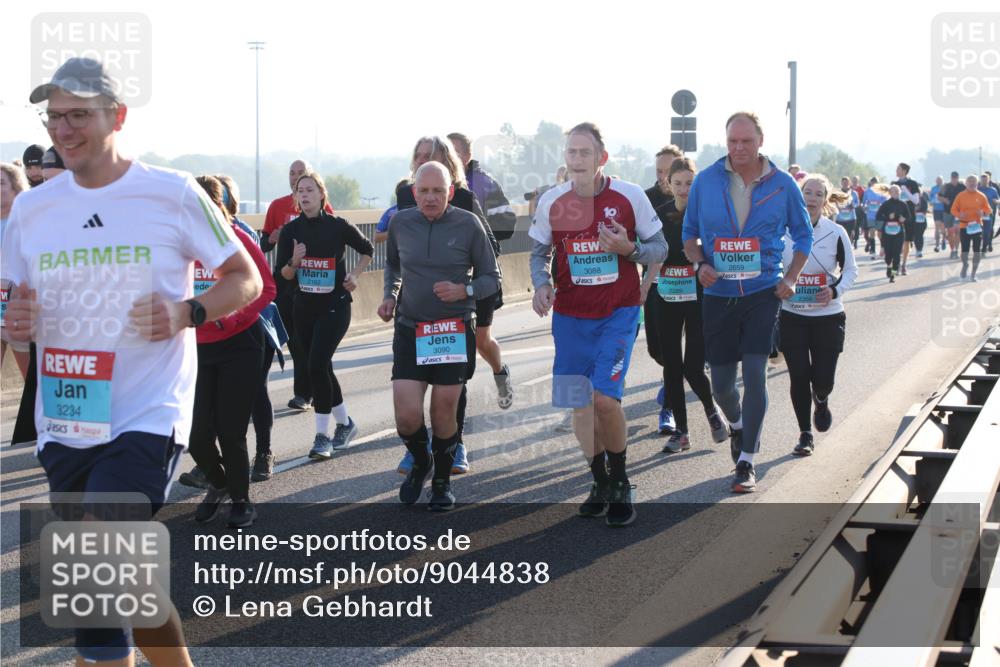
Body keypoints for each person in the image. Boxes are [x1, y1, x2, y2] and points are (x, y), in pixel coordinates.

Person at [5, 56, 262, 667]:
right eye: (54, 117)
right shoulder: (32, 210)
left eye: (78, 116)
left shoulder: (171, 193)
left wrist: (186, 313)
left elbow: (244, 277)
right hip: (67, 416)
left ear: (116, 116)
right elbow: (15, 306)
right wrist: (16, 321)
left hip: (149, 411)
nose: (63, 131)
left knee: (94, 558)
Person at [530, 121, 667, 526]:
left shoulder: (629, 196)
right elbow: (538, 255)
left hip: (618, 312)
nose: (576, 159)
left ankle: (622, 481)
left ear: (601, 158)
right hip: (571, 318)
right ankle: (600, 480)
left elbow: (660, 247)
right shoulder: (552, 201)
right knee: (579, 405)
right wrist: (541, 285)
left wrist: (630, 248)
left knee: (605, 399)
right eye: (571, 152)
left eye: (584, 152)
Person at [682, 111, 812, 493]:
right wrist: (699, 263)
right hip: (719, 295)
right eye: (732, 142)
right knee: (722, 386)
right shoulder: (706, 181)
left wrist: (790, 279)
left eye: (746, 142)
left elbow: (803, 237)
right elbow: (690, 234)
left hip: (762, 293)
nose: (739, 149)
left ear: (760, 141)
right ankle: (737, 426)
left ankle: (747, 460)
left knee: (755, 373)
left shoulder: (782, 183)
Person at [379, 161, 500, 511]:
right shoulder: (401, 223)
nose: (430, 198)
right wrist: (390, 295)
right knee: (406, 413)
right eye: (423, 191)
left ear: (450, 192)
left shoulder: (468, 223)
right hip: (410, 328)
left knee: (444, 410)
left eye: (437, 191)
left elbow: (492, 278)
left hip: (452, 328)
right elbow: (393, 265)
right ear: (413, 192)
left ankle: (443, 482)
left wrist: (464, 290)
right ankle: (421, 461)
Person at [189, 175, 276, 528]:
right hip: (195, 349)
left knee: (230, 430)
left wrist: (231, 315)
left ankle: (241, 500)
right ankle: (219, 482)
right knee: (195, 435)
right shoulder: (180, 247)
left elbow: (267, 288)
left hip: (239, 345)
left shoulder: (235, 240)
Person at [276, 171, 374, 458]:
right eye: (299, 190)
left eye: (309, 189)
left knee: (317, 364)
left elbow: (367, 249)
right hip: (303, 308)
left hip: (335, 307)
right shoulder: (291, 232)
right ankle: (345, 422)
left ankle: (322, 436)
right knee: (320, 367)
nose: (303, 194)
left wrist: (354, 275)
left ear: (321, 194)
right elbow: (281, 275)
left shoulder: (337, 226)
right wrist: (294, 262)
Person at [644, 157, 728, 453]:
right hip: (666, 296)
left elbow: (719, 252)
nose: (683, 189)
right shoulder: (658, 215)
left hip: (698, 297)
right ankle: (681, 431)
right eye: (677, 183)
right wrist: (643, 290)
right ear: (668, 183)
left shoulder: (707, 215)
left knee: (693, 366)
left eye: (690, 184)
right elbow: (652, 255)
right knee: (671, 365)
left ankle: (711, 411)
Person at [781, 175, 858, 455]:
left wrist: (835, 291)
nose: (811, 198)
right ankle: (804, 434)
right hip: (793, 316)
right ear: (799, 198)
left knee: (823, 379)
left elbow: (850, 270)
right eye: (807, 193)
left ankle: (822, 398)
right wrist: (782, 283)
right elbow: (773, 266)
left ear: (825, 201)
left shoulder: (836, 232)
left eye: (817, 194)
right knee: (799, 376)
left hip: (828, 316)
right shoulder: (783, 231)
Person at [217, 173, 286, 482]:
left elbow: (261, 286)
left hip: (252, 325)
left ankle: (264, 452)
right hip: (215, 329)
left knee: (256, 391)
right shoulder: (193, 238)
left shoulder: (241, 233)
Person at [448, 133, 516, 412]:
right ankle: (453, 405)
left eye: (450, 153)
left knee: (480, 341)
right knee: (452, 341)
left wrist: (480, 241)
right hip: (450, 276)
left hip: (481, 274)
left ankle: (500, 371)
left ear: (464, 156)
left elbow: (508, 222)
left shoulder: (481, 182)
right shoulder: (432, 186)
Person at [263, 159, 334, 412]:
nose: (295, 178)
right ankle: (304, 392)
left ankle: (312, 391)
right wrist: (271, 239)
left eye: (300, 174)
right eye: (291, 173)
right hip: (285, 283)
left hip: (313, 284)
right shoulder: (277, 206)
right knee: (294, 341)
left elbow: (333, 239)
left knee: (310, 343)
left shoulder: (322, 206)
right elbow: (263, 244)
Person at [643, 144, 683, 434]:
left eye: (667, 172)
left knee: (673, 350)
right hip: (654, 282)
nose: (662, 178)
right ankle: (672, 373)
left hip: (687, 286)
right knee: (656, 348)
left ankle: (668, 408)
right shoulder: (646, 199)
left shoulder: (693, 199)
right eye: (658, 171)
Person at [0, 163, 31, 377]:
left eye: (1, 182)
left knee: (31, 380)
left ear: (16, 187)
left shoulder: (29, 222)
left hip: (18, 309)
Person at [951, 174, 992, 281]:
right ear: (966, 183)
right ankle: (965, 265)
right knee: (964, 250)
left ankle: (973, 273)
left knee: (976, 250)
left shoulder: (981, 195)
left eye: (974, 181)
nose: (972, 183)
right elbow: (953, 210)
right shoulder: (960, 196)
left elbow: (989, 210)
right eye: (969, 181)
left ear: (977, 183)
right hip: (964, 225)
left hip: (977, 226)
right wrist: (959, 215)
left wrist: (982, 212)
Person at [876, 185, 909, 283]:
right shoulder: (886, 204)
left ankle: (893, 274)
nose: (896, 193)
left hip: (899, 232)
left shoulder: (903, 204)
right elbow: (878, 216)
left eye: (898, 191)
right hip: (887, 232)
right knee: (888, 255)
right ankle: (889, 266)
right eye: (894, 191)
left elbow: (908, 216)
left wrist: (904, 218)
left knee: (897, 254)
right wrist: (887, 217)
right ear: (890, 193)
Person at [938, 171, 964, 259]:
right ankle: (952, 250)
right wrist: (944, 200)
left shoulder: (962, 186)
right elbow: (939, 197)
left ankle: (956, 250)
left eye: (956, 177)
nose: (954, 179)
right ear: (951, 177)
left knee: (958, 231)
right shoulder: (946, 186)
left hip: (958, 212)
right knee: (950, 232)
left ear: (958, 177)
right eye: (953, 177)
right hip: (948, 212)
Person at [862, 178, 889, 260]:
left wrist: (880, 205)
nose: (874, 184)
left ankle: (883, 248)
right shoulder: (867, 191)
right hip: (870, 215)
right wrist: (864, 207)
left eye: (876, 182)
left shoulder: (882, 191)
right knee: (872, 232)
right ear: (871, 183)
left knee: (880, 234)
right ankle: (873, 251)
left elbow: (885, 202)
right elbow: (864, 202)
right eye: (873, 182)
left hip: (880, 215)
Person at [978, 173, 999, 254]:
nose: (984, 181)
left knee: (988, 230)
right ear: (980, 180)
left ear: (989, 180)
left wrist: (996, 201)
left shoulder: (993, 190)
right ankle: (982, 245)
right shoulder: (977, 189)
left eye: (986, 180)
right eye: (983, 180)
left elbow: (998, 200)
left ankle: (986, 246)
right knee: (980, 231)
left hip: (989, 213)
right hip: (978, 214)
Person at [835, 176, 860, 242]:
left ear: (849, 183)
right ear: (841, 183)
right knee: (840, 234)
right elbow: (833, 202)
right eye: (843, 183)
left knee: (850, 233)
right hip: (840, 218)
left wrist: (853, 205)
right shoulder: (837, 193)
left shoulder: (854, 193)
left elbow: (857, 203)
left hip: (851, 217)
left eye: (846, 183)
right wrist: (837, 206)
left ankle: (849, 246)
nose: (845, 184)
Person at [930, 175, 946, 252]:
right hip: (936, 209)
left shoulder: (945, 188)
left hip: (944, 210)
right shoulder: (933, 188)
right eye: (937, 180)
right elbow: (930, 200)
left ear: (942, 181)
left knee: (943, 228)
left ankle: (943, 240)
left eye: (940, 180)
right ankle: (937, 245)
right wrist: (933, 200)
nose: (938, 181)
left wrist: (943, 200)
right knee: (937, 226)